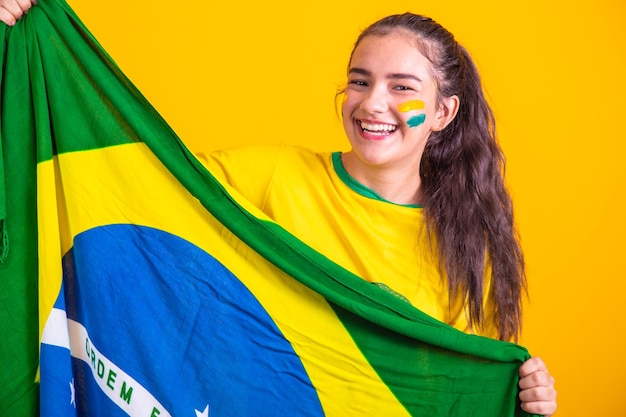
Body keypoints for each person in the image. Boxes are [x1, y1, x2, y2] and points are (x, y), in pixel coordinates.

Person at [1, 1, 557, 415]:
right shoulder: (275, 175)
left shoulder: (463, 252)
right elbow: (140, 184)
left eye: (401, 86)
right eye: (359, 82)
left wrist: (524, 399)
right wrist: (26, 50)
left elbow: (450, 393)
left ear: (443, 111)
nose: (372, 103)